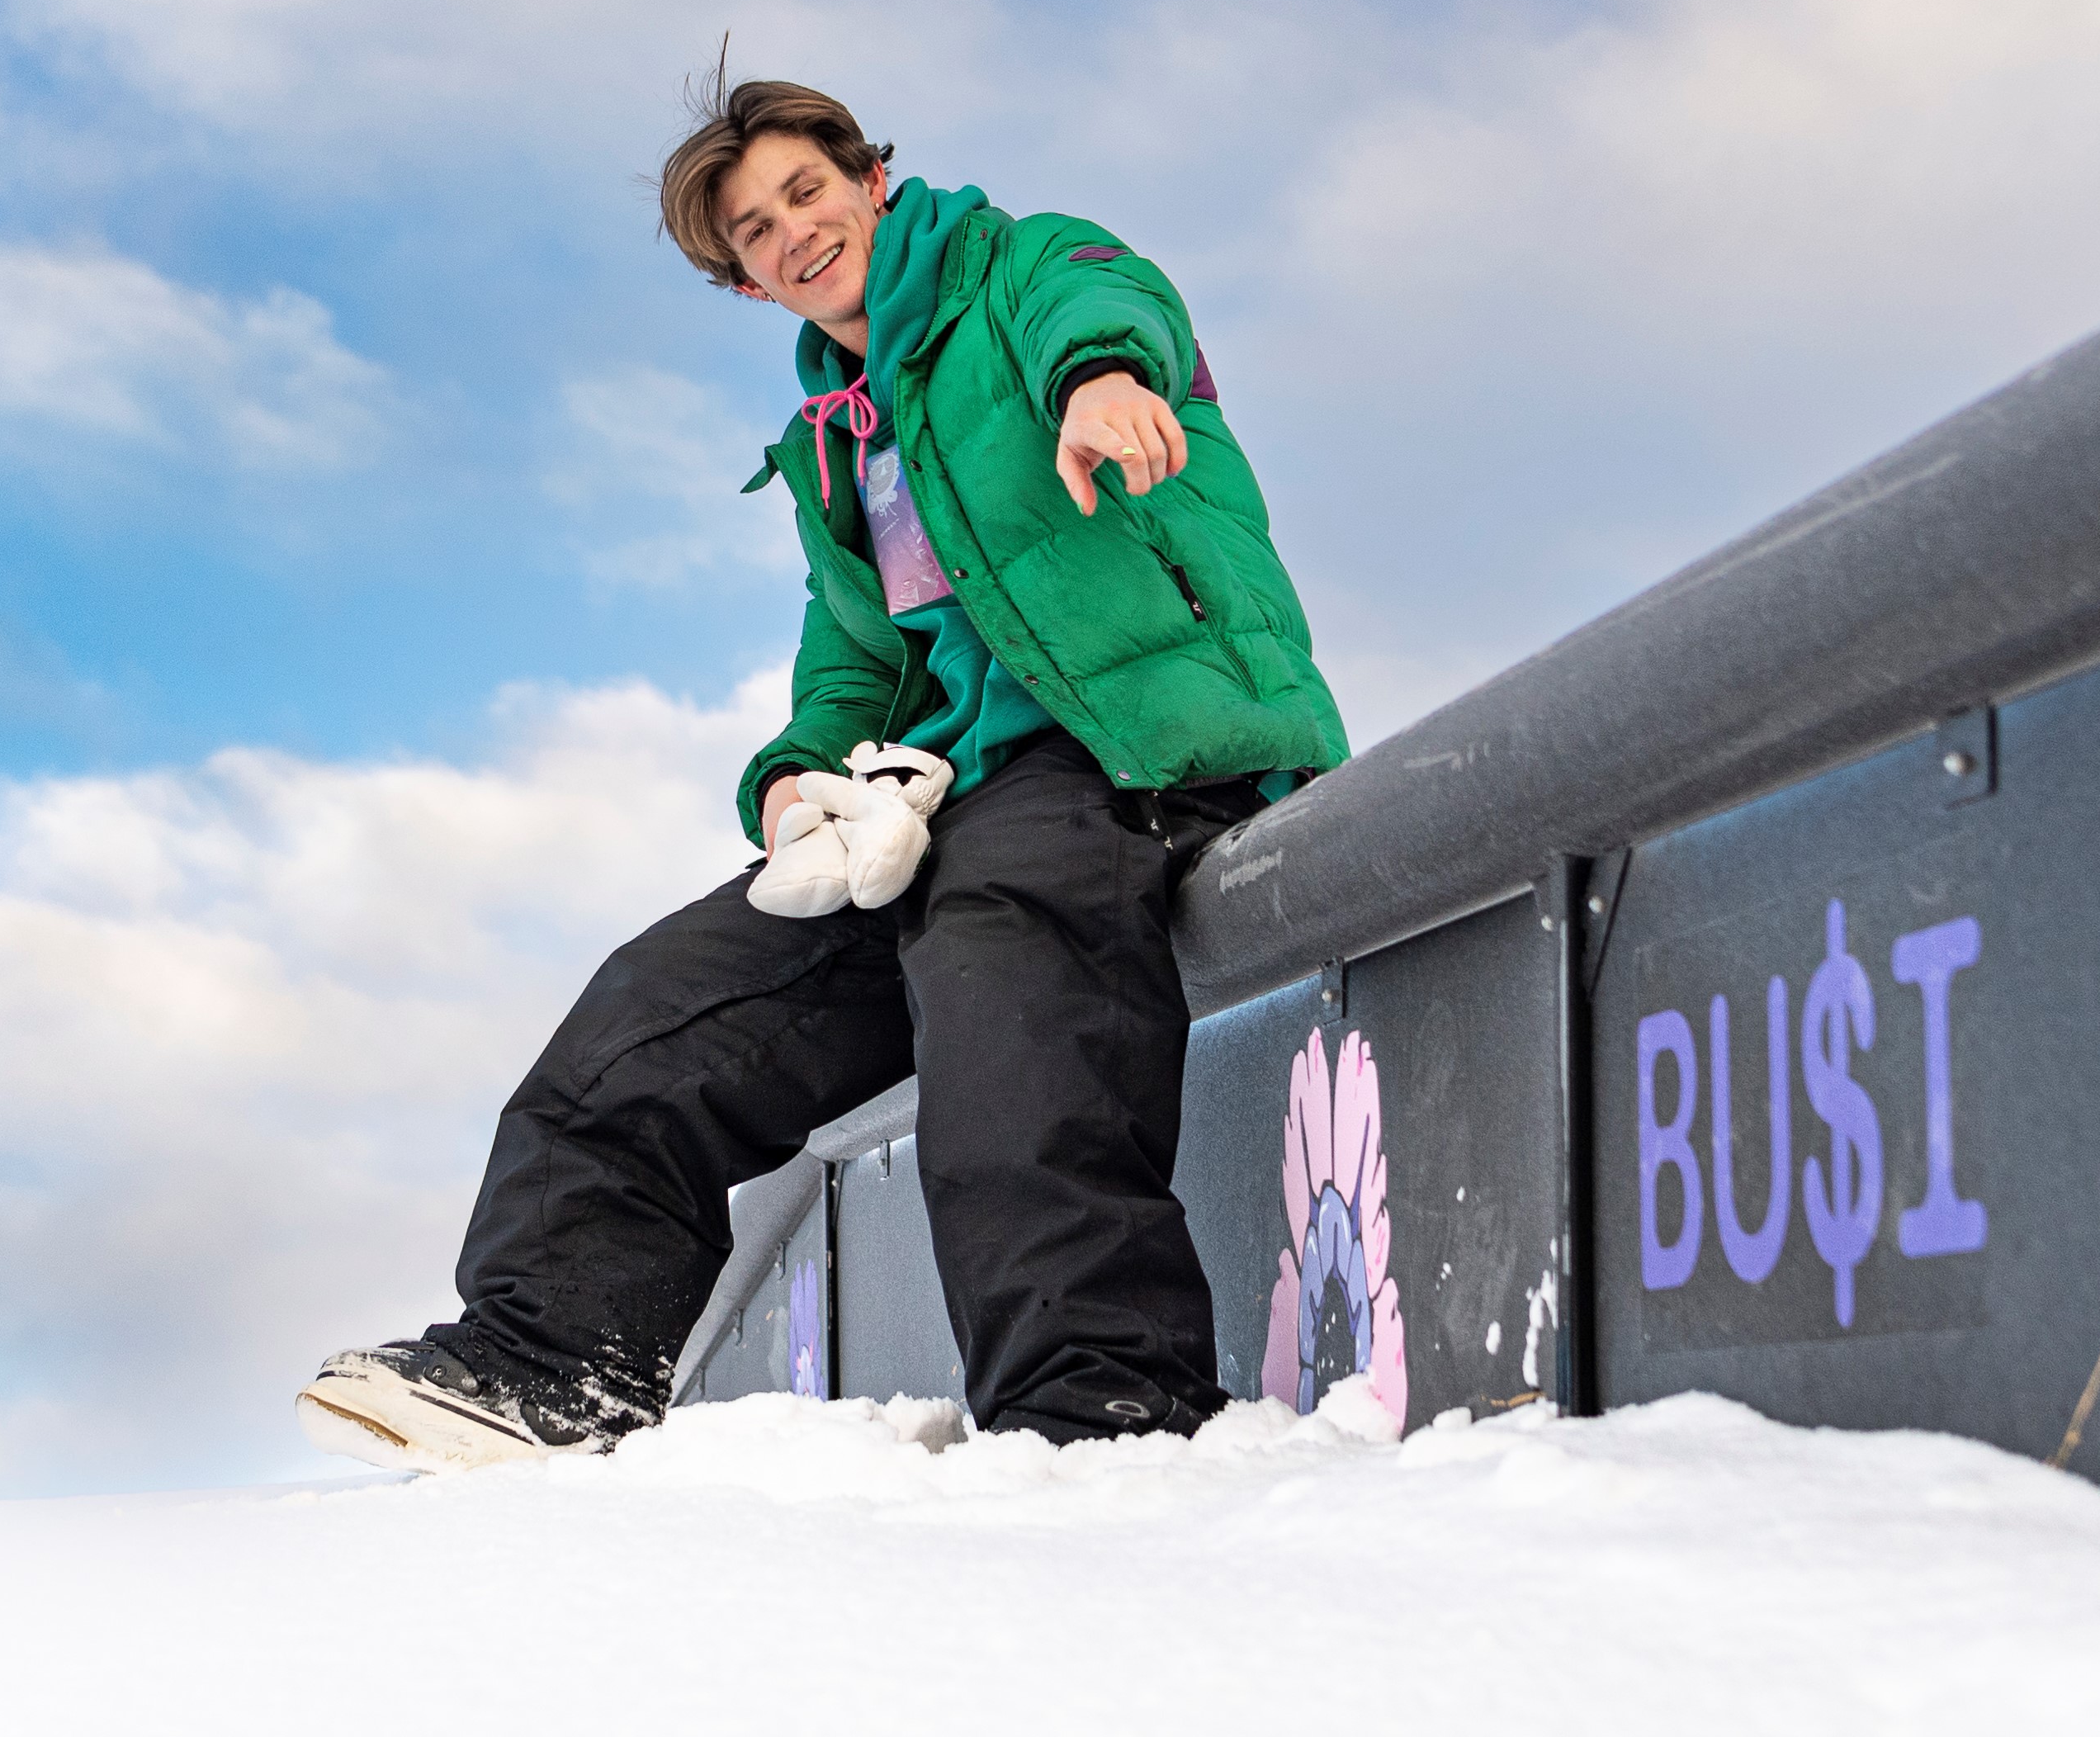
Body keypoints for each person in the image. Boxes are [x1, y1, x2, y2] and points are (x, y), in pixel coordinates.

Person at [297, 73, 1346, 1468]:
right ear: (742, 283)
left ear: (865, 180)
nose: (793, 231)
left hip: (1137, 739)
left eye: (806, 192)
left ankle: (1103, 1416)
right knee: (657, 1010)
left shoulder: (1014, 266)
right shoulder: (834, 449)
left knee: (1003, 955)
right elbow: (850, 671)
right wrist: (795, 788)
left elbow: (1103, 303)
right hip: (954, 797)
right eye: (754, 230)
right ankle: (550, 1363)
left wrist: (1100, 383)